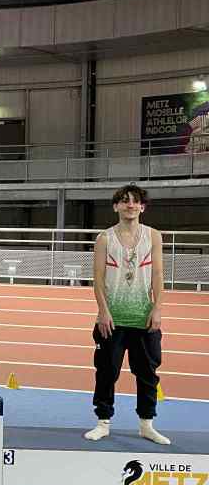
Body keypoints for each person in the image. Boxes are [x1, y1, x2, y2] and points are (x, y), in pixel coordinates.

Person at [85, 184, 169, 445]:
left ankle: (146, 424)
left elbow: (158, 275)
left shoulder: (153, 236)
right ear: (116, 207)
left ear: (142, 207)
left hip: (144, 319)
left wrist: (157, 308)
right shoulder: (104, 238)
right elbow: (98, 278)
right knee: (106, 372)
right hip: (112, 320)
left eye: (135, 201)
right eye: (124, 201)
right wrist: (103, 311)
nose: (130, 205)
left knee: (147, 374)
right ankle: (103, 422)